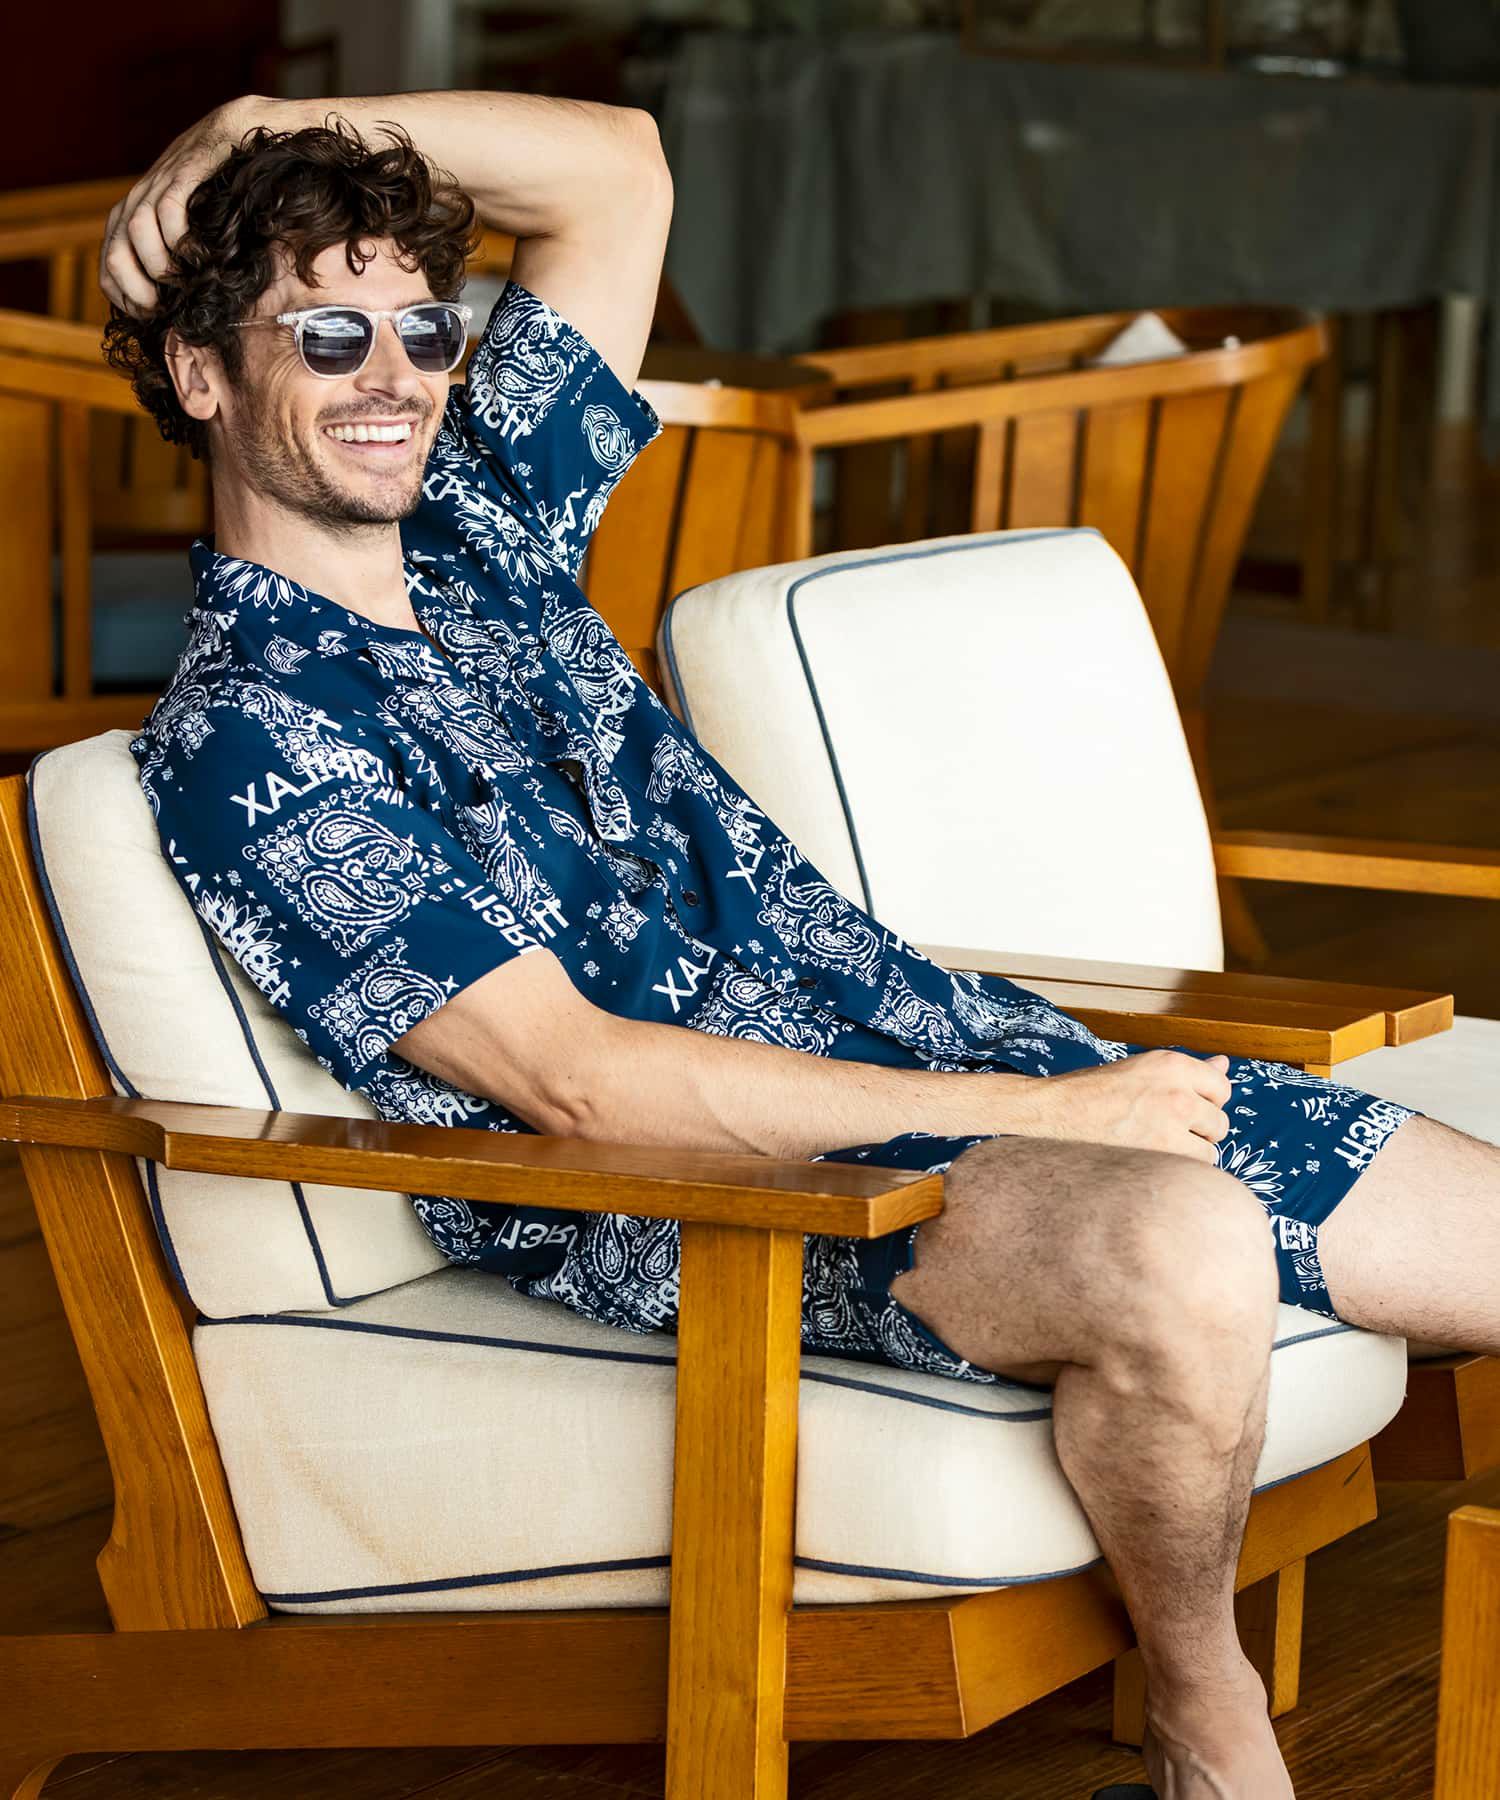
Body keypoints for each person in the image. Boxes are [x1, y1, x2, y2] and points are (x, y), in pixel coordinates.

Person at [104, 91, 1498, 1800]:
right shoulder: (252, 737)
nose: (392, 372)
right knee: (1183, 1239)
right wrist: (1061, 1117)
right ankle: (1214, 1733)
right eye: (326, 334)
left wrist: (263, 120)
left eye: (421, 328)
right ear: (199, 374)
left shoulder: (483, 537)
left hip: (951, 1050)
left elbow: (618, 171)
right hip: (720, 1200)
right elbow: (578, 1080)